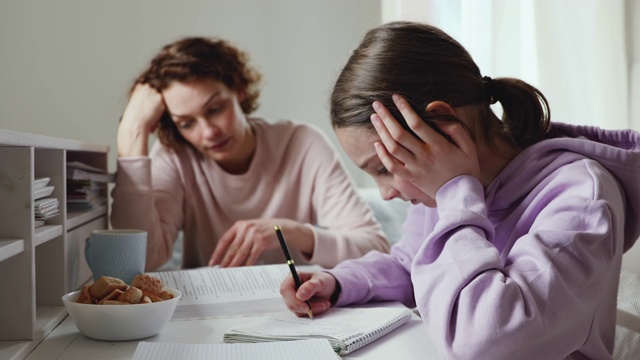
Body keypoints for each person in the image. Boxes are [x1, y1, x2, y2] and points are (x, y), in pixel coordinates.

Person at [280, 21, 640, 359]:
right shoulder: (442, 188)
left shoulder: (581, 198)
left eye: (384, 169)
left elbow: (491, 339)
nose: (386, 192)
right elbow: (411, 265)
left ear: (442, 125)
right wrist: (338, 282)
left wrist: (456, 195)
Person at [111, 36, 389, 271]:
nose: (208, 132)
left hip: (298, 309)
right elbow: (137, 262)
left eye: (215, 109)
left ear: (238, 89)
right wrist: (132, 134)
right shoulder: (175, 157)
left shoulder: (302, 144)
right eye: (187, 123)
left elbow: (376, 249)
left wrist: (291, 232)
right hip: (208, 316)